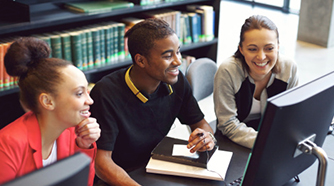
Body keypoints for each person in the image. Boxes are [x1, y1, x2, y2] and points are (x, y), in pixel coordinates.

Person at [90, 18, 216, 186]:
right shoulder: (105, 93)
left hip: (155, 168)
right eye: (168, 56)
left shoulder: (176, 82)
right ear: (141, 60)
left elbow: (202, 125)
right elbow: (102, 164)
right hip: (118, 178)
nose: (178, 61)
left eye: (178, 52)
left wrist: (207, 138)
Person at [0, 37, 101, 186]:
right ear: (47, 101)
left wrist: (84, 147)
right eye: (79, 93)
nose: (90, 100)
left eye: (87, 91)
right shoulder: (7, 145)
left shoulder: (72, 133)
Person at [213, 15, 299, 149]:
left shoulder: (289, 68)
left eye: (269, 48)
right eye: (252, 49)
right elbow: (227, 124)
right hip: (233, 142)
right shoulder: (228, 71)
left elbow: (292, 114)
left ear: (278, 47)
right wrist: (267, 142)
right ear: (241, 49)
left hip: (272, 138)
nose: (261, 57)